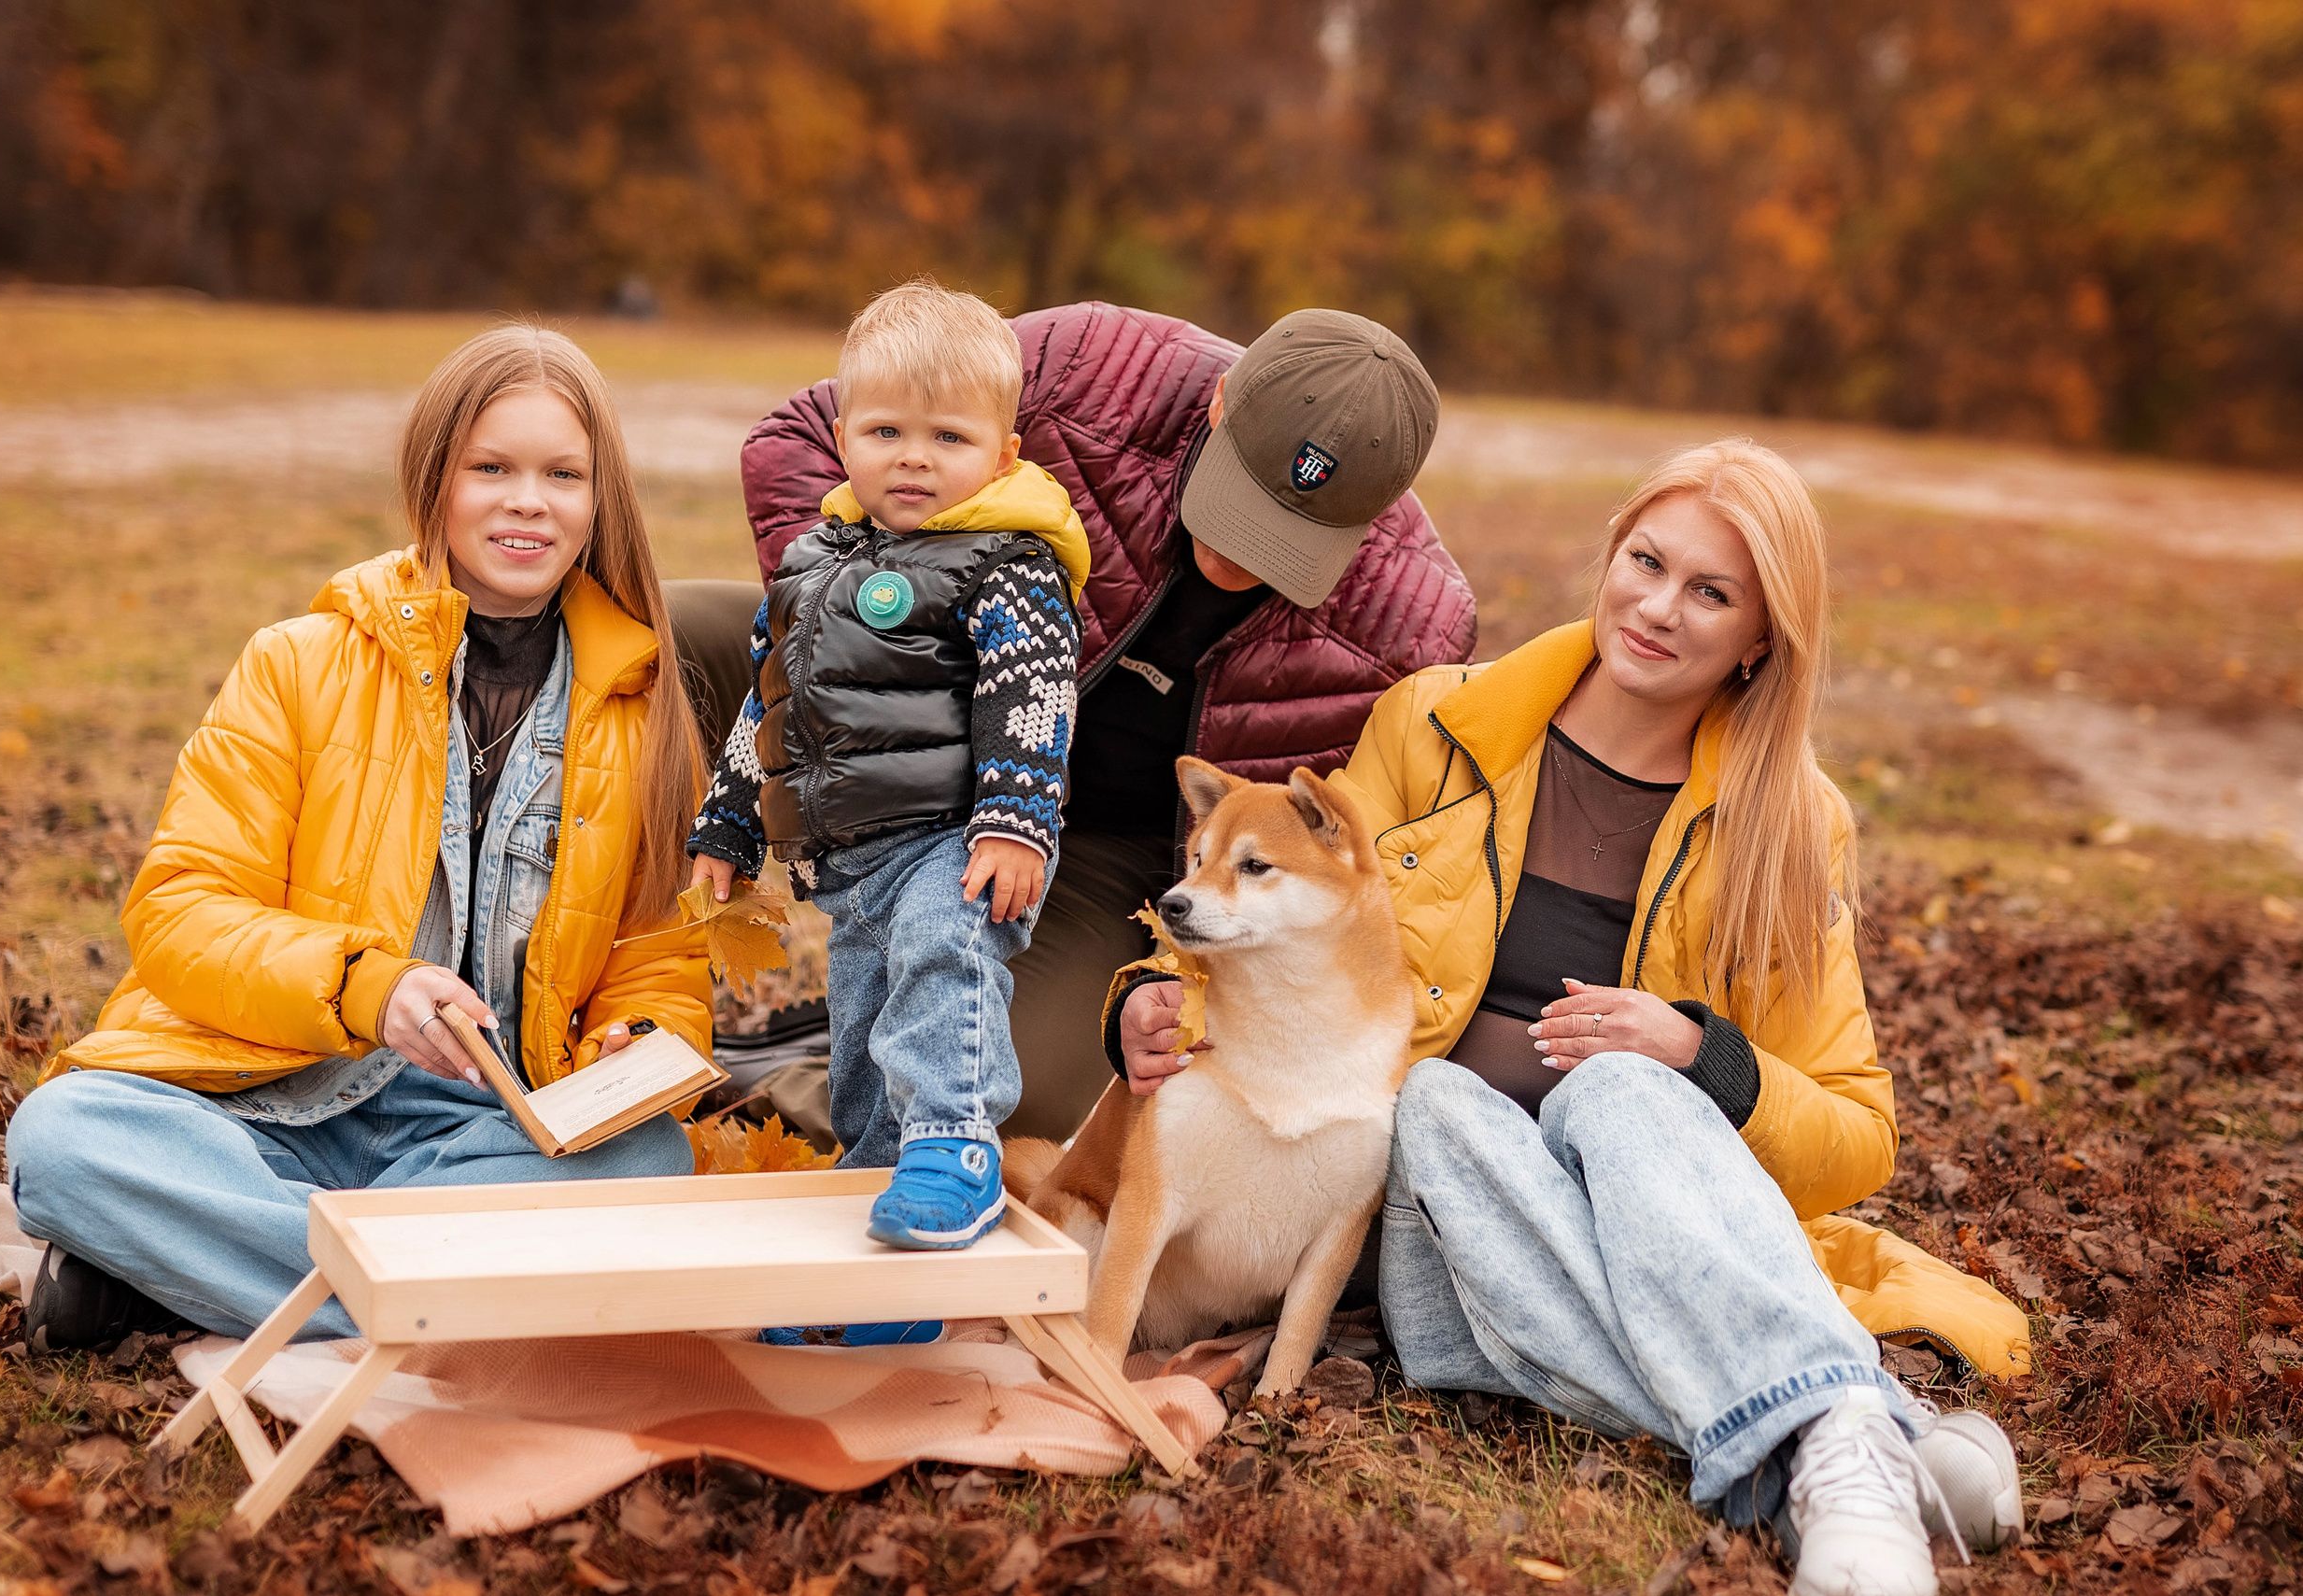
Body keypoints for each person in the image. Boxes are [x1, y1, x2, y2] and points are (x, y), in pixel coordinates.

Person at [1111, 441, 2030, 1596]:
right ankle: (1861, 1432)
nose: (1658, 607)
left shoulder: (1793, 822)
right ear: (1609, 554)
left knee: (1622, 1082)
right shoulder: (1435, 725)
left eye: (1710, 592)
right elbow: (1282, 890)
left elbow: (1857, 1136)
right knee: (1434, 1097)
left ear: (1761, 636)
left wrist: (1701, 1052)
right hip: (1442, 1220)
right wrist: (1149, 991)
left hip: (1661, 1222)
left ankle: (1829, 1459)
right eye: (1646, 561)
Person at [7, 327, 709, 1350]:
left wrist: (636, 1044)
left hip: (476, 1136)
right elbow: (180, 911)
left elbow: (656, 956)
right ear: (434, 480)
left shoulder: (644, 713)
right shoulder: (298, 664)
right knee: (62, 1137)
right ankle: (420, 1284)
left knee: (647, 1161)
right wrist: (366, 987)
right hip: (256, 1101)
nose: (528, 501)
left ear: (601, 499)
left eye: (563, 474)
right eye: (492, 468)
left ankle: (182, 1277)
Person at [665, 301, 1476, 1141]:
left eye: (1286, 541)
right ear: (1220, 400)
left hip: (1097, 839)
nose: (1237, 557)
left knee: (1022, 1098)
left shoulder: (1409, 629)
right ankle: (627, 986)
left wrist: (1161, 979)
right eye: (1236, 504)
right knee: (662, 641)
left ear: (1375, 517)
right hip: (896, 675)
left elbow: (1294, 872)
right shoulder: (1091, 364)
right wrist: (876, 633)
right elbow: (793, 437)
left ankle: (789, 1083)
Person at [684, 281, 1088, 1251]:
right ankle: (883, 1210)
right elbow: (767, 704)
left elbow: (1033, 697)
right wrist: (729, 823)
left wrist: (1017, 820)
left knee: (944, 960)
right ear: (842, 440)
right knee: (864, 1036)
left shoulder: (1007, 563)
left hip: (958, 844)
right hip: (852, 866)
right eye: (886, 431)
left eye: (949, 437)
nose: (913, 456)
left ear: (1003, 455)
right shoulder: (809, 566)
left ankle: (957, 1147)